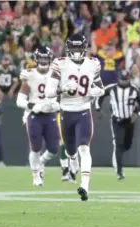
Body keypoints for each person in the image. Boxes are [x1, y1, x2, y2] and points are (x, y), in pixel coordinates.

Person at [45, 34, 105, 201]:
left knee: (84, 148)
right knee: (71, 151)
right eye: (74, 48)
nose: (77, 51)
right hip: (66, 112)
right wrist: (62, 88)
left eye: (80, 48)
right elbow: (48, 92)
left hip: (84, 111)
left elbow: (101, 88)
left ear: (84, 48)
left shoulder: (93, 63)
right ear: (68, 48)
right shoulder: (60, 63)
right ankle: (73, 163)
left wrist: (96, 92)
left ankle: (84, 185)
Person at [16, 46, 60, 187]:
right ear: (36, 59)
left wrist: (57, 103)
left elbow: (61, 92)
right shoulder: (29, 75)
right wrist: (32, 106)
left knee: (54, 148)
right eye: (40, 58)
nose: (43, 61)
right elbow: (20, 100)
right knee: (35, 147)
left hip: (50, 114)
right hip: (34, 115)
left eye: (45, 58)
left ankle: (41, 162)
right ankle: (36, 176)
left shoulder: (55, 74)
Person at [94, 70, 140, 180]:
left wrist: (137, 113)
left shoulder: (134, 90)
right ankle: (119, 172)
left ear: (129, 79)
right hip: (116, 120)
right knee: (118, 144)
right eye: (122, 80)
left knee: (127, 145)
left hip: (129, 121)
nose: (123, 82)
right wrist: (98, 109)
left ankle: (117, 158)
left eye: (126, 80)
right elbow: (100, 96)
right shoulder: (112, 88)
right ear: (118, 79)